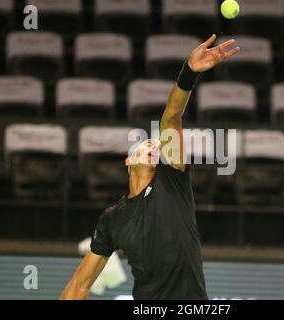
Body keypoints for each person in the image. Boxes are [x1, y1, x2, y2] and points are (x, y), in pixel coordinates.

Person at [60, 34, 240, 300]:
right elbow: (80, 285)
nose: (154, 147)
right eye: (146, 145)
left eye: (158, 147)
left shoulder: (173, 179)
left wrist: (188, 72)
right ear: (128, 161)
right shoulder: (112, 219)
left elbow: (171, 117)